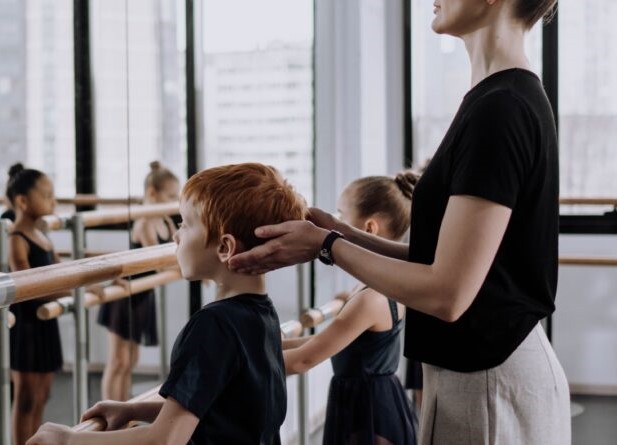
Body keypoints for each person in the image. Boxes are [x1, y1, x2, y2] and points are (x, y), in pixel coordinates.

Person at [228, 1, 569, 443]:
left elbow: (448, 292)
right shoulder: (496, 99)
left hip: (490, 379)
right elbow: (443, 261)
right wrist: (342, 233)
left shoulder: (501, 108)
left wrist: (326, 246)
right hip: (478, 374)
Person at [27, 163, 307, 445]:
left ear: (225, 247)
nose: (175, 235)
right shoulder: (263, 314)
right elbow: (220, 409)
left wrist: (67, 440)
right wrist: (134, 409)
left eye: (185, 224)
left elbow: (163, 440)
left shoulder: (213, 326)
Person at [283, 170, 419, 445]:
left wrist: (234, 364)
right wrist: (265, 343)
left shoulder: (372, 298)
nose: (336, 223)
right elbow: (328, 341)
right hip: (366, 403)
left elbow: (305, 359)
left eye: (341, 215)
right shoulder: (376, 286)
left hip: (370, 414)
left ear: (369, 228)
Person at [97, 161, 179, 401]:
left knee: (131, 360)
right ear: (152, 193)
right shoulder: (144, 222)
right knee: (118, 360)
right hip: (125, 294)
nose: (174, 201)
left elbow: (177, 252)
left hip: (144, 294)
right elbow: (161, 261)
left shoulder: (166, 221)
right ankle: (109, 415)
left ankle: (122, 410)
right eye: (171, 195)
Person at [5, 164, 63, 445]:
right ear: (23, 201)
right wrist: (66, 290)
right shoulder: (17, 239)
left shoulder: (45, 238)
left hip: (45, 322)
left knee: (43, 394)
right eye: (47, 194)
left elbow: (62, 273)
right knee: (26, 397)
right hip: (26, 325)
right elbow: (30, 285)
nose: (53, 200)